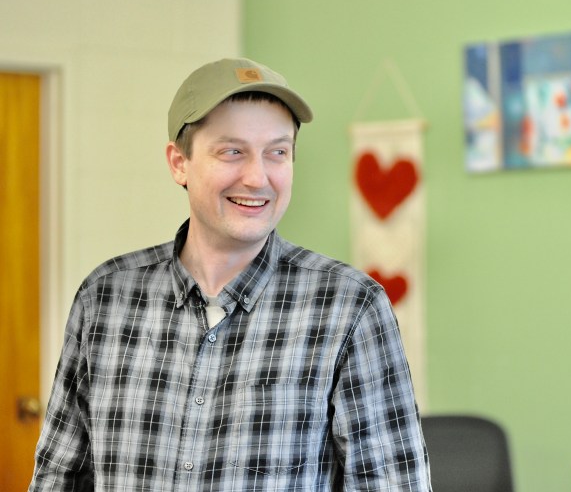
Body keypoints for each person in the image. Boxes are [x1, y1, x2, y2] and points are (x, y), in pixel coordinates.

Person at [29, 58, 431, 491]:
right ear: (178, 163)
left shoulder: (350, 308)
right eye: (232, 151)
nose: (257, 177)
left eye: (277, 152)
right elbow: (57, 478)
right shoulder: (104, 298)